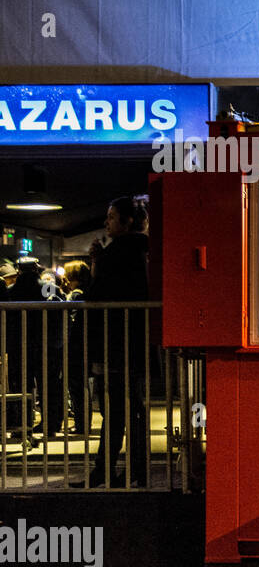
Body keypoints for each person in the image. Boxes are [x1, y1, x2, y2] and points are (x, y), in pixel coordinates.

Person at [84, 197, 150, 488]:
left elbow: (96, 294)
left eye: (111, 217)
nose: (106, 222)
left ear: (127, 221)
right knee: (131, 408)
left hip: (114, 343)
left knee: (112, 410)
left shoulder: (118, 253)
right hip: (133, 343)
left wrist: (97, 264)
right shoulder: (143, 250)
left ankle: (106, 469)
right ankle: (135, 468)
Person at [5, 257, 64, 435]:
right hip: (47, 345)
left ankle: (22, 425)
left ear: (19, 270)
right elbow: (60, 315)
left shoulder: (11, 291)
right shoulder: (49, 289)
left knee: (21, 386)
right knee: (49, 386)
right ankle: (51, 425)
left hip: (18, 345)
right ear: (37, 270)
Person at [62, 260, 93, 436]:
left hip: (75, 345)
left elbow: (71, 321)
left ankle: (81, 424)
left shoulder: (75, 295)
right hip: (84, 344)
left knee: (76, 385)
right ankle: (84, 423)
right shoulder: (86, 292)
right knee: (83, 386)